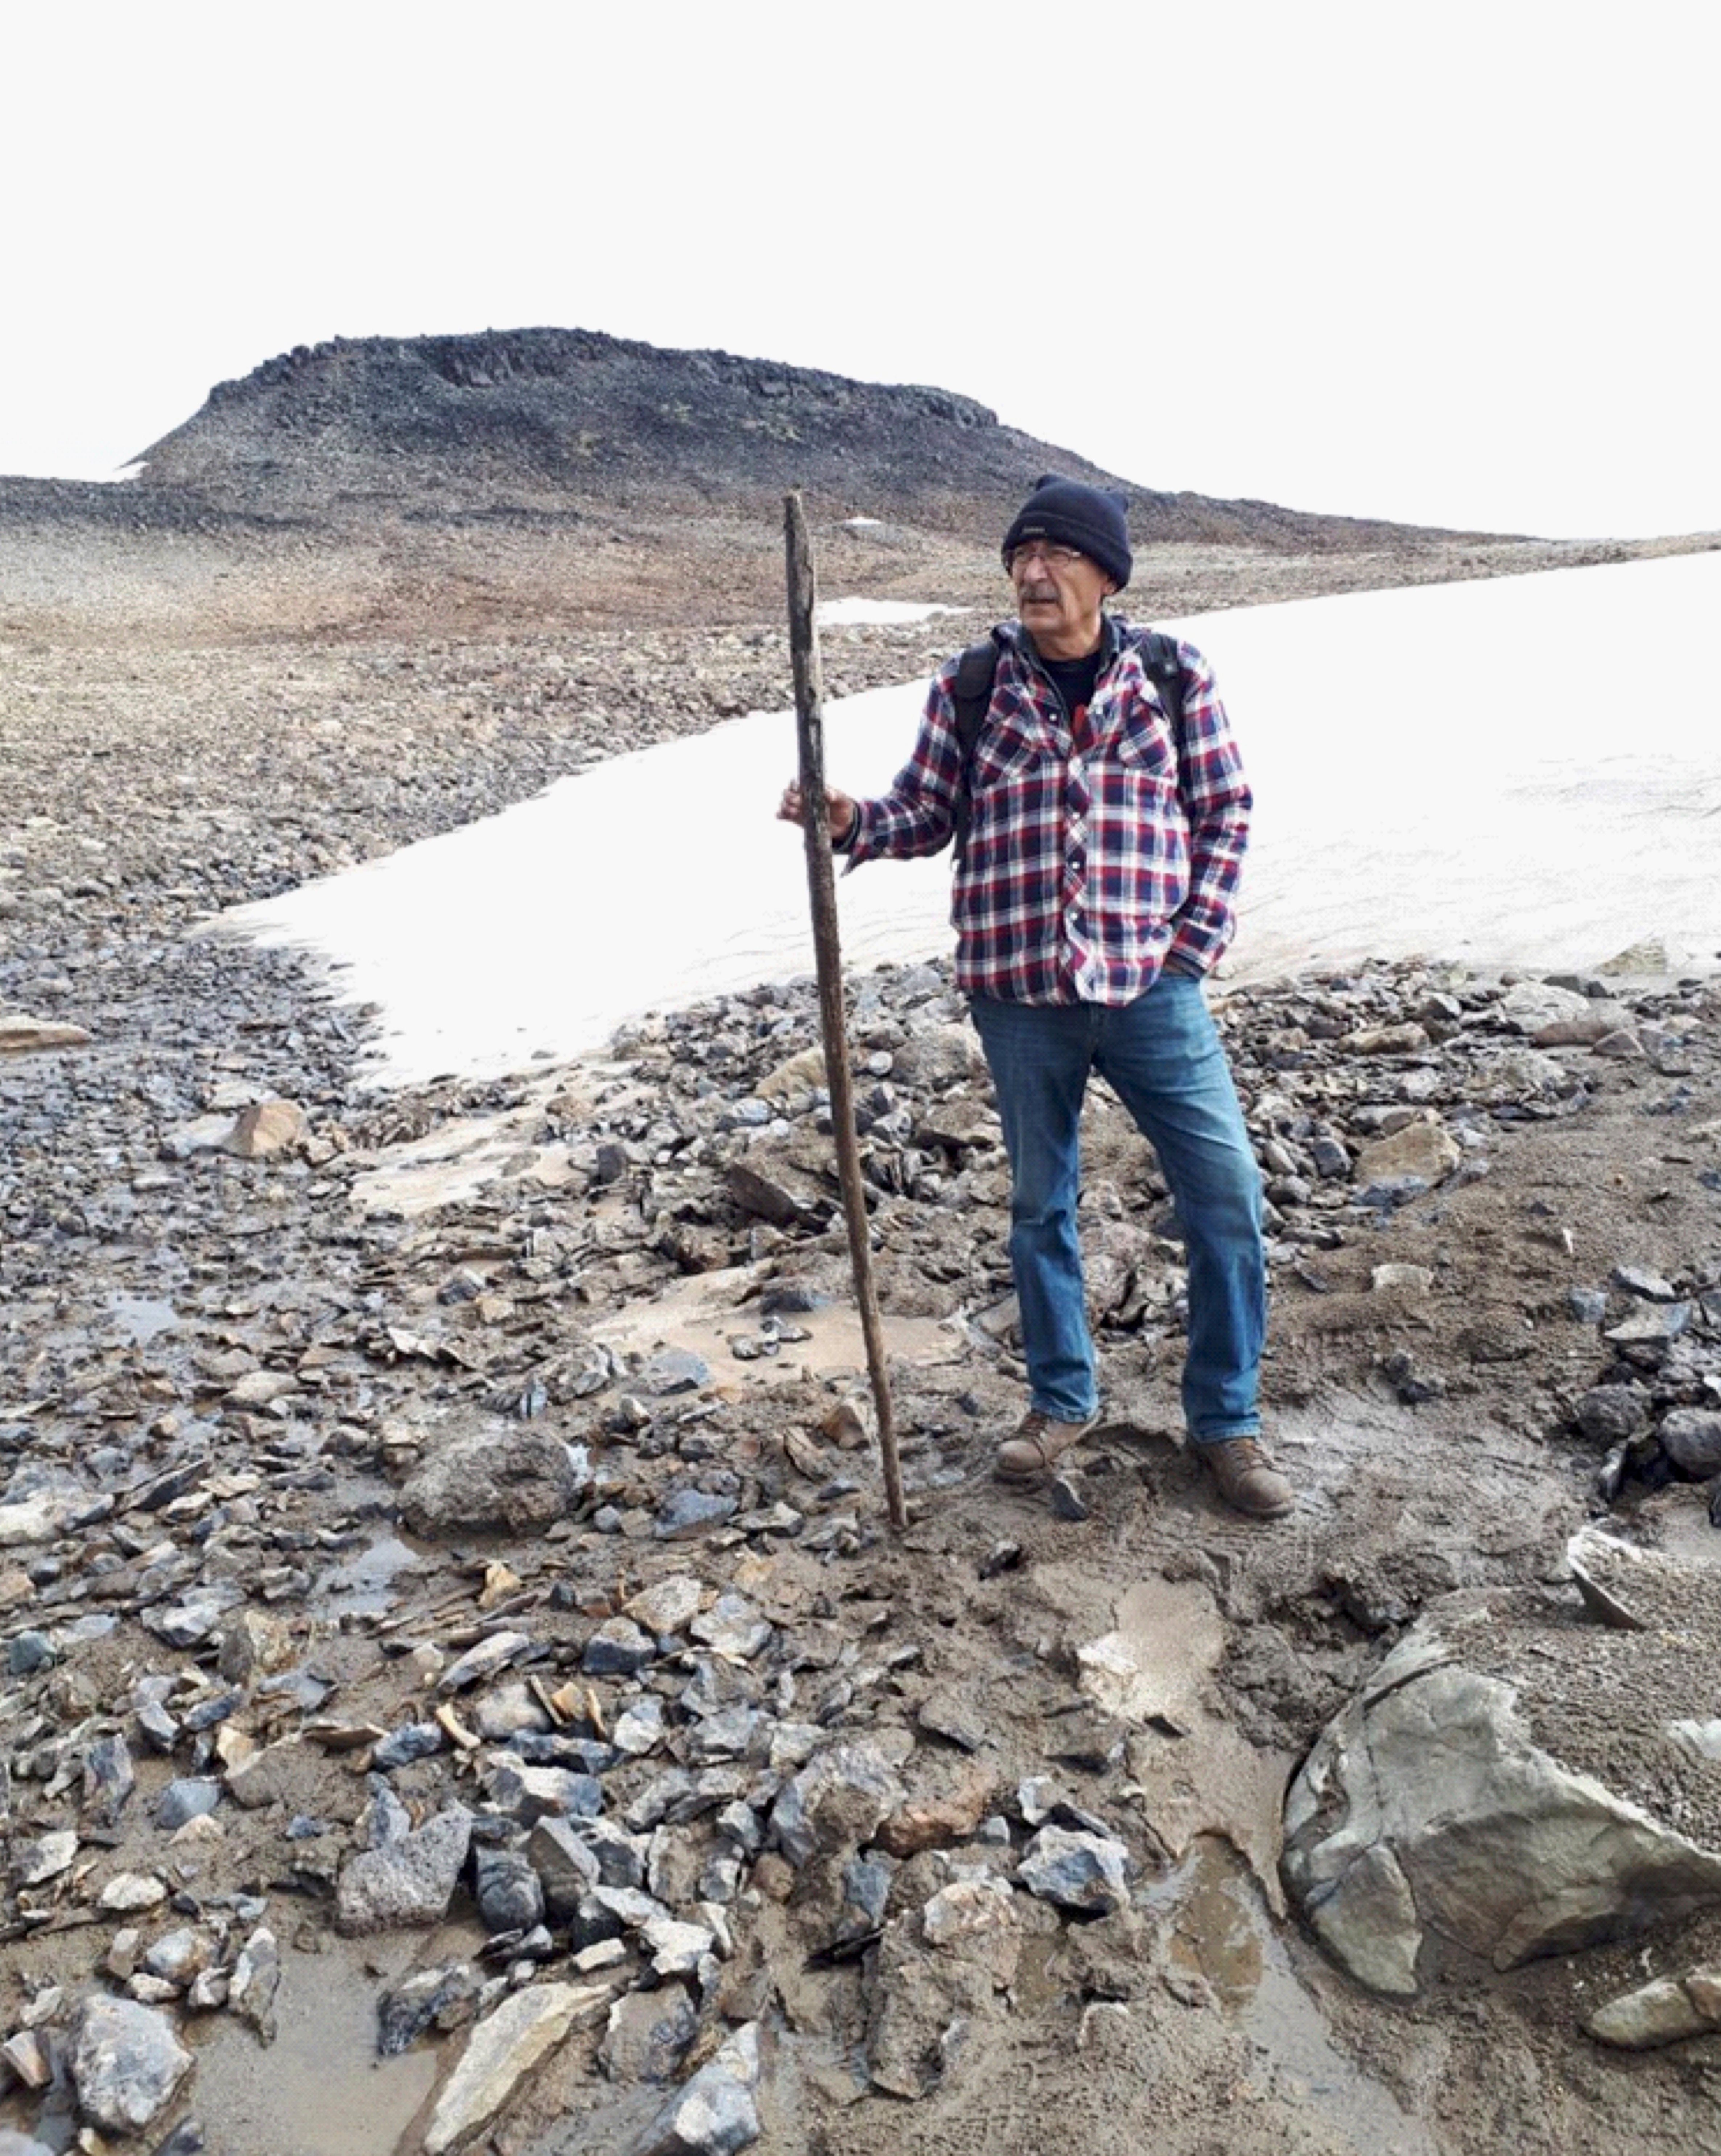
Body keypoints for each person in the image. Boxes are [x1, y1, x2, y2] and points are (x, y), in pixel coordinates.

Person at [777, 476, 1287, 1521]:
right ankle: (1061, 1403)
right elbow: (925, 813)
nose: (1032, 572)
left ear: (1106, 573)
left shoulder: (1170, 673)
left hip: (1151, 984)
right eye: (1020, 556)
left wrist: (1193, 943)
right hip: (1016, 990)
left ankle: (1226, 1424)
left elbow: (1224, 811)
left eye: (1055, 555)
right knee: (1036, 1206)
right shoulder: (969, 684)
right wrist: (849, 819)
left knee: (1226, 1194)